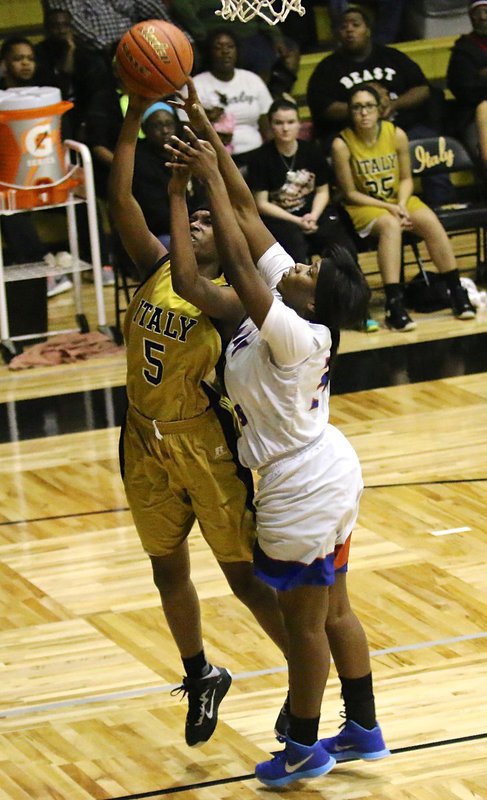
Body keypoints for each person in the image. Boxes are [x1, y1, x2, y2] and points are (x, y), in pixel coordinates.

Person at [164, 77, 389, 788]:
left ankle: (302, 744)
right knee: (335, 609)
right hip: (324, 471)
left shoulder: (294, 330)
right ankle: (361, 727)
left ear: (314, 296)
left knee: (305, 623)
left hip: (301, 484)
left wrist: (200, 176)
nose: (296, 262)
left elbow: (233, 254)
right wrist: (209, 137)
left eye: (310, 267)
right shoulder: (296, 301)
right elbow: (240, 212)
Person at [108, 91, 288, 748]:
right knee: (165, 567)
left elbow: (230, 217)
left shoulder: (230, 303)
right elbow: (122, 200)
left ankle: (306, 675)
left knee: (242, 580)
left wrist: (203, 181)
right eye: (196, 217)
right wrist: (133, 118)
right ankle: (201, 673)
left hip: (203, 445)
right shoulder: (157, 265)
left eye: (213, 220)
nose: (203, 221)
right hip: (139, 437)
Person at [331, 85, 476, 331]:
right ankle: (394, 305)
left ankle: (456, 291)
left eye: (368, 106)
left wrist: (400, 204)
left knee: (429, 220)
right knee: (390, 226)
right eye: (357, 107)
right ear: (351, 112)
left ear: (379, 109)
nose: (363, 112)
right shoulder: (341, 144)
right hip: (365, 204)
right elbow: (350, 193)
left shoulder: (395, 134)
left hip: (399, 198)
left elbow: (407, 179)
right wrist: (389, 208)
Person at [306, 6, 452, 206]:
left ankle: (443, 208)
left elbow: (423, 89)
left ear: (368, 29)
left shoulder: (392, 57)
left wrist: (394, 104)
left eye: (356, 24)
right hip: (354, 135)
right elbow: (323, 107)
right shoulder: (327, 68)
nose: (349, 30)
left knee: (432, 146)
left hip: (400, 128)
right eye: (343, 26)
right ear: (337, 33)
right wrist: (363, 110)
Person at [247, 97, 359, 265]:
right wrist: (298, 221)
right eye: (279, 123)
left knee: (342, 247)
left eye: (291, 122)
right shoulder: (260, 158)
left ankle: (348, 288)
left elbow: (323, 191)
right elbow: (262, 204)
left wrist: (313, 216)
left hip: (315, 213)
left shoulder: (312, 151)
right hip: (282, 218)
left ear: (300, 124)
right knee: (294, 247)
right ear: (270, 125)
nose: (285, 128)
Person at [191, 29, 273, 171]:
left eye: (230, 46)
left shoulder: (252, 80)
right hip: (215, 159)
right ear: (209, 52)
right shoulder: (196, 85)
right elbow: (188, 130)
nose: (225, 51)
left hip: (255, 156)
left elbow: (267, 127)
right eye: (218, 47)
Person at [34, 7, 109, 141]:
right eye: (55, 26)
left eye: (65, 26)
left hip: (81, 111)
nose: (61, 31)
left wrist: (85, 122)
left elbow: (93, 92)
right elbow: (57, 84)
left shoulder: (83, 53)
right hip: (53, 111)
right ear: (47, 29)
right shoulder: (39, 53)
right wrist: (69, 53)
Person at [40, 0, 192, 56]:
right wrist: (118, 49)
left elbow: (151, 7)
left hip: (138, 44)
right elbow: (75, 24)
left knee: (176, 51)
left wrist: (180, 38)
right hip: (97, 52)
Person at [447, 0, 487, 168]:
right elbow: (465, 91)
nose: (484, 17)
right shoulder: (463, 51)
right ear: (471, 18)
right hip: (474, 117)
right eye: (478, 13)